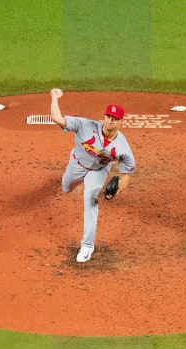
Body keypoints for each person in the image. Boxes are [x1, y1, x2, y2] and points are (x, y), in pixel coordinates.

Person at [49, 88, 136, 263]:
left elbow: (126, 174)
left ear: (120, 122)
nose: (110, 121)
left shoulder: (123, 147)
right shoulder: (85, 125)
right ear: (104, 117)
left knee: (90, 197)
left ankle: (87, 246)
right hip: (77, 164)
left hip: (98, 170)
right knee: (66, 188)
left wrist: (116, 190)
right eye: (108, 117)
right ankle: (72, 181)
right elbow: (57, 118)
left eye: (114, 119)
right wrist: (54, 97)